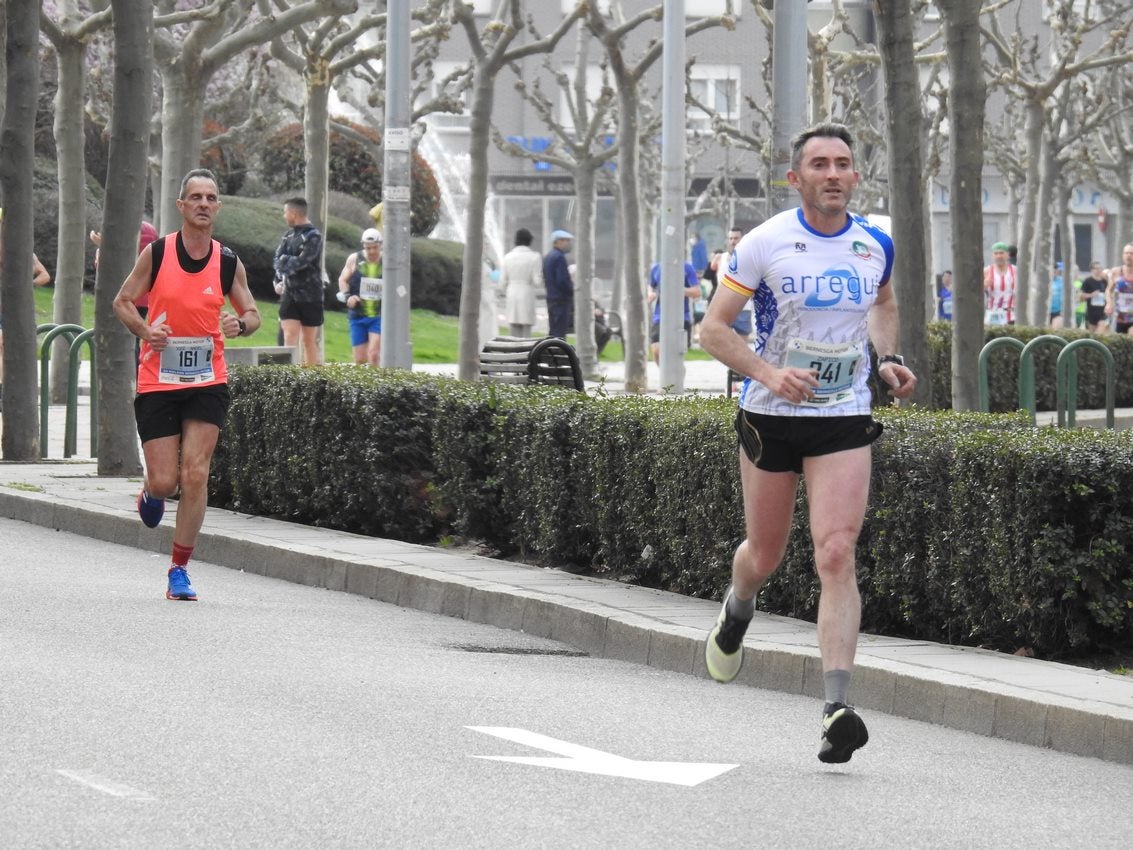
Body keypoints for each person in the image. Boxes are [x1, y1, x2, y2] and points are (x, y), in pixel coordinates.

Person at [698, 122, 916, 765]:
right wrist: (769, 373)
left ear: (854, 175)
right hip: (772, 413)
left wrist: (886, 358)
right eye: (818, 164)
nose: (832, 173)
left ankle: (836, 709)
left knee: (836, 551)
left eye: (842, 163)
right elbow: (714, 330)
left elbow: (881, 303)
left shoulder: (875, 244)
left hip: (844, 412)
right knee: (763, 555)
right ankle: (739, 607)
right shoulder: (767, 244)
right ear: (796, 179)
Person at [112, 168, 261, 602]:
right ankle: (148, 490)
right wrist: (144, 331)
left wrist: (241, 324)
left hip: (206, 379)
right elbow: (122, 301)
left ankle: (179, 569)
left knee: (195, 474)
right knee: (164, 482)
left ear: (217, 206)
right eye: (194, 197)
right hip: (158, 378)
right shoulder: (157, 254)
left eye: (210, 197)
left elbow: (252, 313)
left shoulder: (227, 261)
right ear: (181, 206)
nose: (202, 204)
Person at [273, 197, 324, 365]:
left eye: (286, 212)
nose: (284, 216)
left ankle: (311, 379)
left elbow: (303, 261)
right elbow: (277, 259)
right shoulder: (288, 236)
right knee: (289, 336)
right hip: (290, 294)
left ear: (294, 213)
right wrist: (284, 266)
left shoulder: (313, 236)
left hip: (310, 295)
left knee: (309, 340)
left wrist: (286, 261)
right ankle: (290, 376)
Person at [336, 228, 384, 367]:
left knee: (374, 355)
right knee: (359, 360)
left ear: (380, 245)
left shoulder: (387, 261)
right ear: (363, 246)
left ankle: (377, 386)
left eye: (375, 247)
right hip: (358, 315)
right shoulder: (354, 259)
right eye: (368, 248)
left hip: (379, 315)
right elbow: (342, 280)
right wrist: (347, 297)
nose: (372, 252)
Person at [647, 259, 701, 365]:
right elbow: (650, 286)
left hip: (681, 316)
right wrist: (650, 294)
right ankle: (665, 376)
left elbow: (697, 292)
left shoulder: (687, 267)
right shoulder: (657, 268)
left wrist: (678, 289)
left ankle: (676, 375)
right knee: (656, 349)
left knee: (675, 353)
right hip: (660, 315)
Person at [500, 227, 542, 338]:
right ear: (529, 240)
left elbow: (502, 281)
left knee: (513, 328)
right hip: (526, 293)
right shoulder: (535, 257)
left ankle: (513, 353)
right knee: (526, 330)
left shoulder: (507, 257)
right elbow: (537, 281)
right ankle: (525, 354)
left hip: (512, 293)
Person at [543, 229, 574, 338]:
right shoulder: (559, 257)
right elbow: (562, 280)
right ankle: (559, 353)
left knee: (553, 330)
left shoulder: (549, 256)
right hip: (561, 299)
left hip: (551, 298)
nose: (569, 244)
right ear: (558, 241)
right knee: (559, 333)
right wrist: (571, 290)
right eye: (567, 241)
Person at [983, 241, 1016, 326]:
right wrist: (984, 285)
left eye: (1001, 253)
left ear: (1007, 255)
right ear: (993, 255)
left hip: (1011, 315)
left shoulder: (1015, 271)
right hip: (992, 315)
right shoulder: (986, 271)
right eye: (996, 253)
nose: (999, 256)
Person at [1107, 244, 1133, 335]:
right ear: (1123, 255)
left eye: (1131, 253)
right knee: (1119, 343)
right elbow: (1109, 290)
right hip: (1119, 317)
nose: (1128, 256)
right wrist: (1109, 303)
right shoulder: (1116, 272)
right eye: (1126, 253)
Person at [1079, 260, 1109, 333]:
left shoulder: (1104, 281)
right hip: (1091, 312)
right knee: (1092, 335)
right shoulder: (1087, 281)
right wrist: (1091, 295)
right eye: (1096, 268)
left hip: (1102, 312)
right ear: (1092, 270)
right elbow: (1081, 296)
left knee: (1100, 332)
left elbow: (1109, 293)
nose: (1098, 270)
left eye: (1100, 268)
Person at [1049, 263, 1064, 328]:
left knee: (1054, 330)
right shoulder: (1043, 280)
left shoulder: (1061, 281)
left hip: (1058, 311)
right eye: (1053, 271)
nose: (1055, 272)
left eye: (1056, 271)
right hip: (1046, 310)